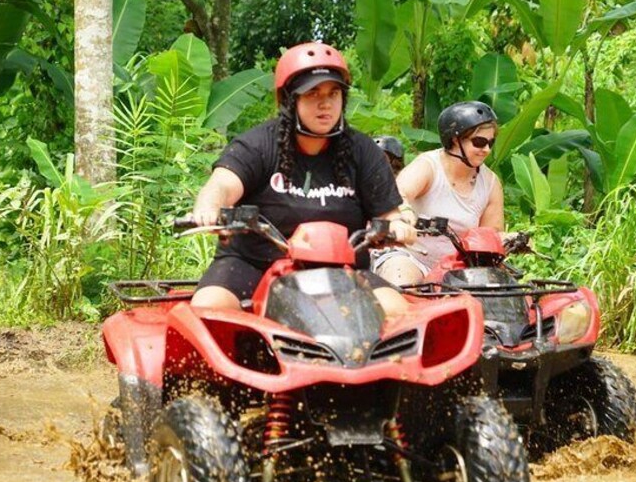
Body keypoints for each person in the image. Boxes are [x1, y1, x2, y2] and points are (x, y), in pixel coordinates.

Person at [190, 42, 417, 312]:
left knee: (396, 310)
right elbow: (222, 185)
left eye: (334, 93)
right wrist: (209, 207)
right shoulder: (258, 144)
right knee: (209, 307)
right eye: (312, 93)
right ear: (288, 100)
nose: (325, 104)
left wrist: (399, 227)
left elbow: (389, 214)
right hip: (254, 265)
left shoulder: (363, 150)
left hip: (340, 269)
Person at [373, 101, 504, 286]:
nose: (486, 150)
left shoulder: (490, 183)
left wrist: (511, 240)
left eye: (491, 143)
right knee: (402, 284)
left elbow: (491, 234)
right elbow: (397, 193)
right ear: (454, 140)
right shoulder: (428, 166)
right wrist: (404, 215)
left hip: (462, 269)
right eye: (479, 142)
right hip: (411, 257)